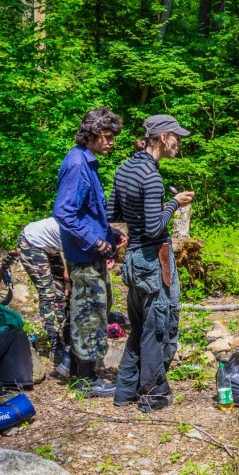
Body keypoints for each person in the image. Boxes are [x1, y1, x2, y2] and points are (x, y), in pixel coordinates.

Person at [108, 115, 194, 413]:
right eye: (176, 137)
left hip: (133, 260)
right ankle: (153, 394)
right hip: (152, 259)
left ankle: (125, 391)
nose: (179, 143)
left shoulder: (124, 168)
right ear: (163, 137)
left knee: (140, 327)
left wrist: (139, 216)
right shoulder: (152, 176)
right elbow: (156, 227)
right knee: (158, 326)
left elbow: (113, 212)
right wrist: (174, 203)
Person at [53, 107, 124, 398]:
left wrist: (109, 234)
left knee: (95, 310)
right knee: (88, 314)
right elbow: (64, 212)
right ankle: (86, 380)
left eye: (112, 136)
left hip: (90, 253)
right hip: (84, 256)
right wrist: (95, 241)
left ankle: (77, 368)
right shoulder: (78, 164)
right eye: (106, 137)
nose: (111, 142)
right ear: (91, 135)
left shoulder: (86, 161)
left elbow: (88, 212)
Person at [15, 217, 70, 375]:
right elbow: (68, 272)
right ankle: (54, 342)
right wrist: (68, 283)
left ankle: (67, 335)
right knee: (48, 292)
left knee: (61, 290)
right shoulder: (77, 230)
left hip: (50, 246)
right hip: (31, 242)